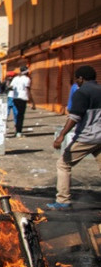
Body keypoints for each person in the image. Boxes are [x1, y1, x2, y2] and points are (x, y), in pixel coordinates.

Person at [47, 65, 100, 210]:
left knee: (63, 164)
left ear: (81, 78)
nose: (76, 82)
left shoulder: (81, 93)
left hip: (87, 138)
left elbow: (74, 117)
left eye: (77, 79)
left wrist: (61, 136)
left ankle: (63, 200)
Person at [10, 66, 34, 137]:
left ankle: (17, 130)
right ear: (26, 72)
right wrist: (32, 102)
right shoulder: (27, 79)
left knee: (17, 115)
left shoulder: (15, 78)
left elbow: (11, 87)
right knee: (20, 115)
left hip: (15, 98)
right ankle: (18, 132)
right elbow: (28, 90)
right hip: (22, 98)